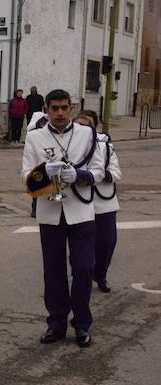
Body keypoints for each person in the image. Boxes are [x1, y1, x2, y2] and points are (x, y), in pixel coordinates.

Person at [22, 89, 103, 348]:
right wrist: (44, 173)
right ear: (46, 108)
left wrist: (79, 176)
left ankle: (81, 323)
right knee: (53, 271)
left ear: (71, 108)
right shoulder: (34, 137)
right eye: (54, 108)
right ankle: (56, 323)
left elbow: (99, 171)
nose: (59, 113)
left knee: (83, 268)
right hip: (50, 212)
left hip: (81, 212)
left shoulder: (87, 134)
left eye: (64, 108)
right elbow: (25, 176)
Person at [75, 110, 121, 294]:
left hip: (103, 202)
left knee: (106, 242)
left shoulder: (105, 146)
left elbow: (116, 172)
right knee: (80, 247)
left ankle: (100, 274)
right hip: (78, 202)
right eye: (79, 126)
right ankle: (82, 276)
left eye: (86, 126)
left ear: (94, 129)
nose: (82, 130)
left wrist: (98, 175)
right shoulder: (69, 146)